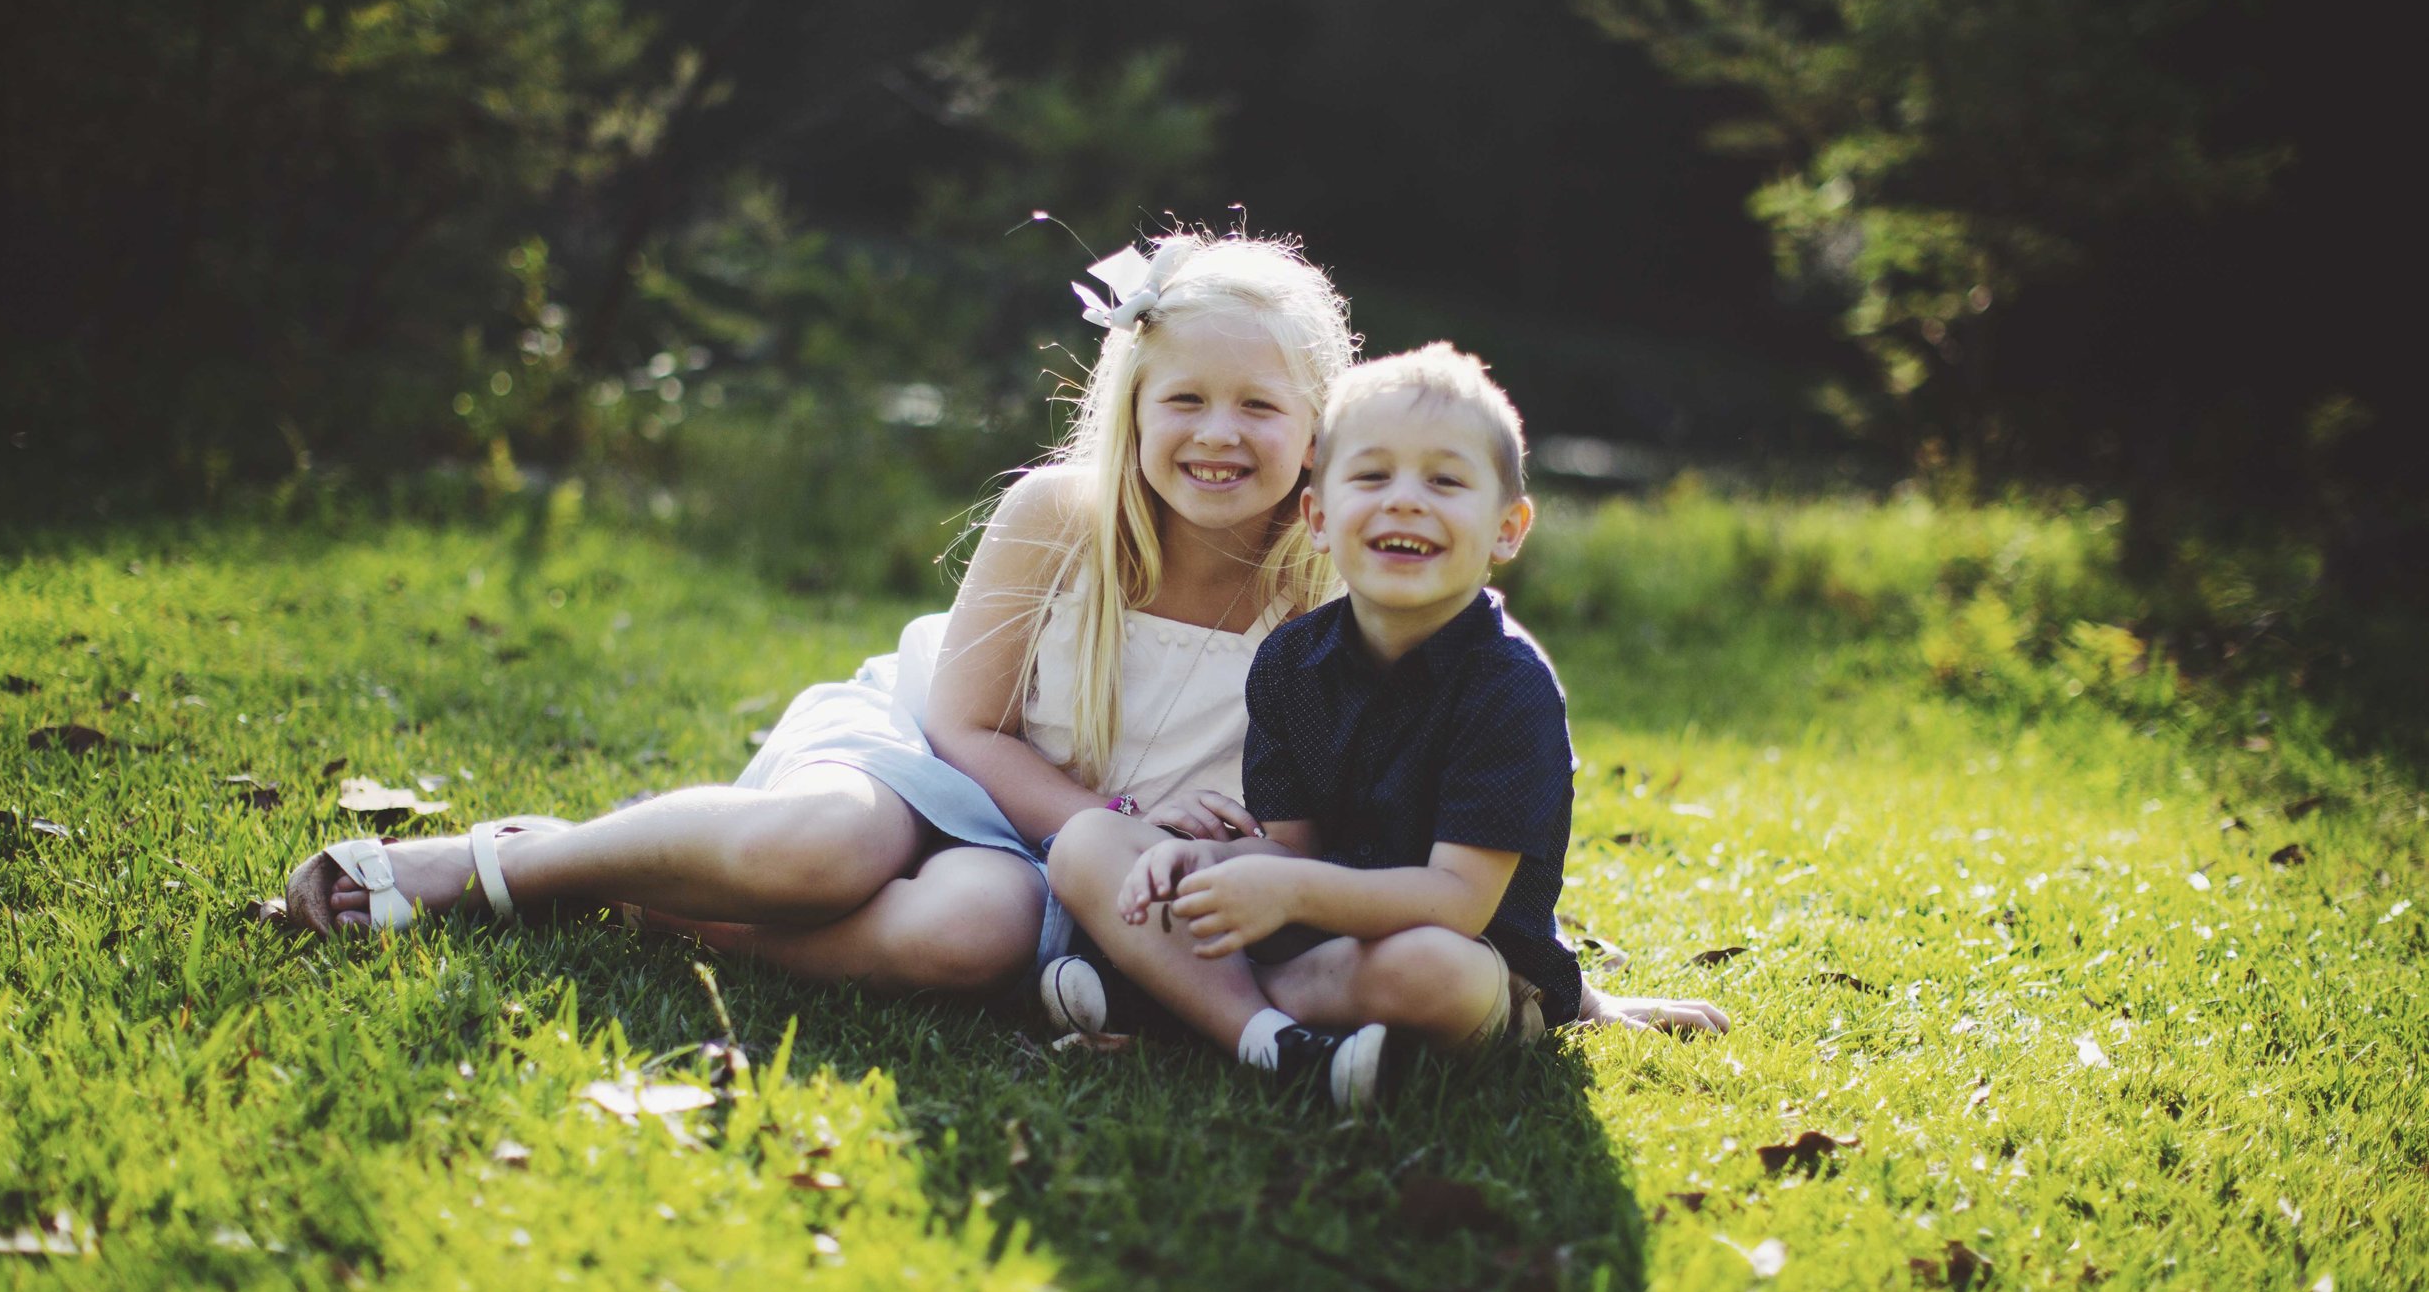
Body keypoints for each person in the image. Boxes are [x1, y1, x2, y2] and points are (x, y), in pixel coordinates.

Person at [282, 231, 1358, 999]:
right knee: (820, 847)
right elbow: (962, 726)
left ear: (1316, 428)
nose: (1217, 432)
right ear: (1130, 407)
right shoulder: (1062, 516)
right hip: (937, 759)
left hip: (1079, 866)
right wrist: (1111, 820)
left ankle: (659, 907)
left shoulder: (1331, 596)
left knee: (969, 934)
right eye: (1184, 399)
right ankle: (515, 863)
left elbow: (1327, 807)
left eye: (1258, 405)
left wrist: (1235, 840)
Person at [1043, 344, 1729, 1109]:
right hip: (1318, 935)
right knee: (1089, 842)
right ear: (1319, 515)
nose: (1405, 500)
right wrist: (1206, 860)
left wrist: (1285, 887)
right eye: (1371, 476)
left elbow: (1455, 901)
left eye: (1444, 480)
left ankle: (1173, 998)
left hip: (1457, 947)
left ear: (1508, 527)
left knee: (1439, 971)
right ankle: (1268, 1034)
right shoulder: (1289, 664)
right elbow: (1290, 852)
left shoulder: (1510, 688)